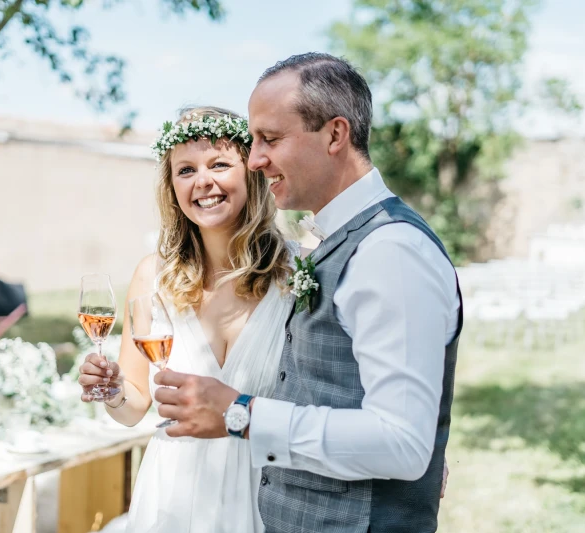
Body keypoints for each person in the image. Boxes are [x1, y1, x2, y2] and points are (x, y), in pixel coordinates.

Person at [153, 53, 463, 533]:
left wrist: (241, 414)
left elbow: (401, 442)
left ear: (336, 135)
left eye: (270, 140)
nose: (255, 160)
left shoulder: (390, 250)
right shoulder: (335, 243)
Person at [78, 106, 297, 532]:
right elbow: (135, 407)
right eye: (186, 170)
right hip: (174, 494)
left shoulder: (297, 275)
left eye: (219, 164)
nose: (203, 182)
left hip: (267, 490)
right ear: (171, 184)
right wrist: (112, 388)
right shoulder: (152, 276)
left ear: (251, 172)